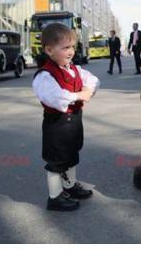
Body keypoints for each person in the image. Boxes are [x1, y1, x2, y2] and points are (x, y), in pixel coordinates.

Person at [32, 23, 100, 211]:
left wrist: (87, 90)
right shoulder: (45, 75)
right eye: (65, 48)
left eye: (72, 47)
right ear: (49, 49)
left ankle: (70, 185)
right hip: (57, 124)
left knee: (71, 155)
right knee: (56, 161)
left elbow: (92, 81)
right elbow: (54, 96)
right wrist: (78, 95)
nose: (70, 52)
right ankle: (55, 197)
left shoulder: (75, 69)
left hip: (74, 121)